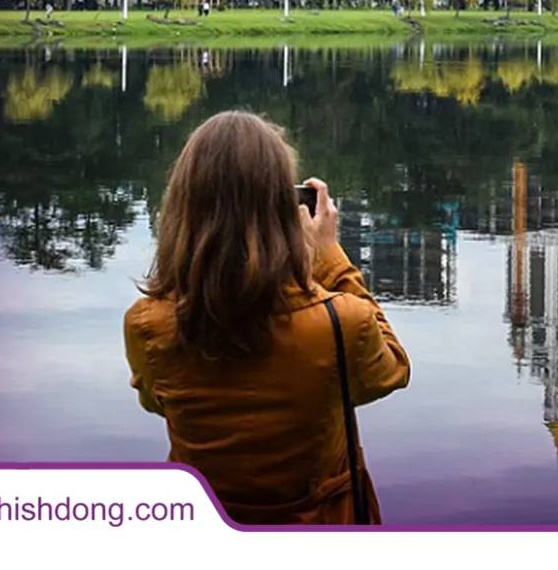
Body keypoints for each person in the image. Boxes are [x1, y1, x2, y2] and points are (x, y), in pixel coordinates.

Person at [123, 111, 410, 525]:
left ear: (183, 208)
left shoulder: (147, 325)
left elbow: (156, 402)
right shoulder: (340, 322)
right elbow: (392, 370)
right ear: (285, 209)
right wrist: (328, 258)